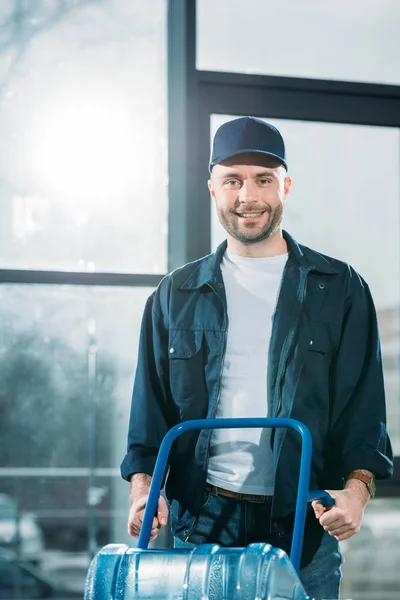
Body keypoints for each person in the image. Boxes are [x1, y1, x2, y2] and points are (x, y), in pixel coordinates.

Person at [121, 116, 393, 599]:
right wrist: (144, 488)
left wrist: (357, 492)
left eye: (264, 179)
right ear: (212, 189)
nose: (249, 195)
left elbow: (364, 412)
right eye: (233, 180)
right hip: (200, 526)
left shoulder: (340, 289)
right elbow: (150, 412)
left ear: (285, 186)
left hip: (301, 527)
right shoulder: (175, 294)